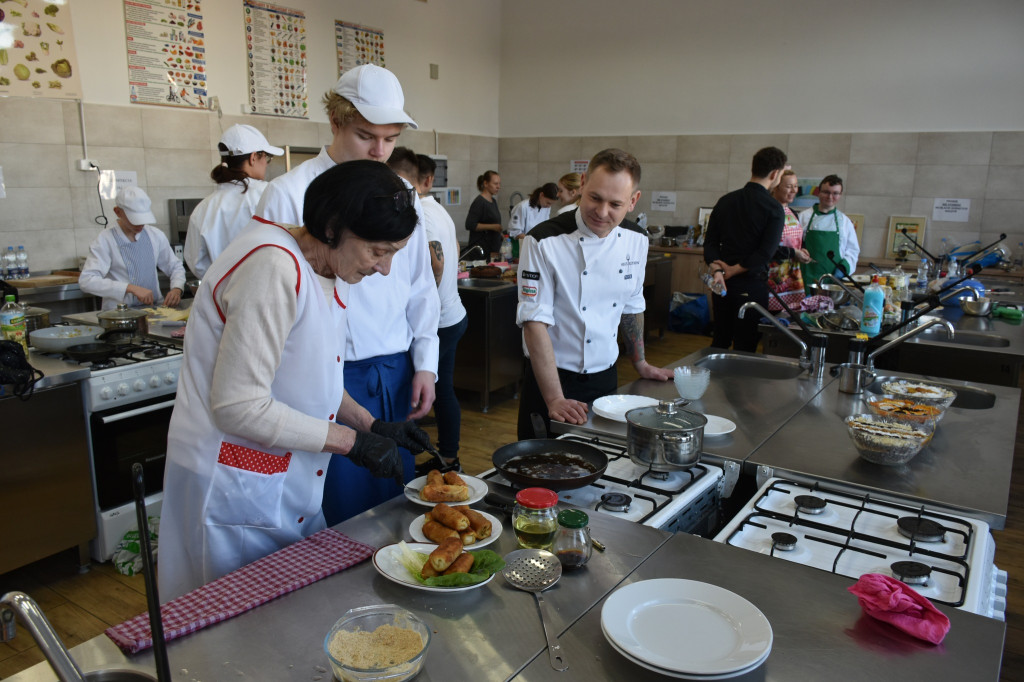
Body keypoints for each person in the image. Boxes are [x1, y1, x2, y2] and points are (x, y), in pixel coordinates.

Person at [159, 161, 417, 600]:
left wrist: (370, 425)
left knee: (286, 613)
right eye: (379, 251)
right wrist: (350, 443)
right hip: (234, 485)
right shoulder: (272, 267)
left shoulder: (331, 266)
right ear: (334, 227)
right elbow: (238, 405)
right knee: (234, 629)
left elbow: (313, 372)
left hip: (280, 479)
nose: (385, 268)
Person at [255, 64, 439, 525]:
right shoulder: (289, 194)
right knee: (333, 504)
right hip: (324, 375)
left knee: (393, 501)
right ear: (335, 122)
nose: (380, 151)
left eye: (391, 138)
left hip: (394, 368)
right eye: (365, 136)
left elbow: (419, 285)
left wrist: (426, 364)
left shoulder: (402, 194)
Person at [516, 149, 673, 440]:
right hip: (551, 378)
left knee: (598, 464)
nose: (602, 212)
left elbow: (631, 306)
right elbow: (534, 322)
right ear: (584, 184)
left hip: (605, 379)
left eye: (615, 204)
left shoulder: (636, 240)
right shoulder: (542, 240)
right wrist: (554, 399)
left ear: (633, 201)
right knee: (542, 467)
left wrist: (640, 362)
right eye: (595, 198)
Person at [402, 151, 469, 471]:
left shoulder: (419, 211)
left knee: (427, 391)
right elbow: (454, 248)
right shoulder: (436, 208)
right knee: (443, 389)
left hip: (439, 320)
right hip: (453, 314)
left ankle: (438, 458)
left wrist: (426, 307)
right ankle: (448, 457)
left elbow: (436, 260)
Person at [703, 146, 789, 351]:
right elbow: (765, 253)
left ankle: (713, 383)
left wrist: (717, 270)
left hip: (721, 283)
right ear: (775, 174)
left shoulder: (725, 201)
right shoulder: (773, 207)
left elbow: (710, 243)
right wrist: (735, 269)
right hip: (751, 285)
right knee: (746, 345)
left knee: (720, 340)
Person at [183, 124, 282, 279]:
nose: (267, 164)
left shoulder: (204, 208)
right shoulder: (270, 193)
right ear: (253, 157)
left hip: (221, 296)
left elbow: (197, 265)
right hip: (268, 289)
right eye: (267, 158)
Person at [79, 186, 186, 311]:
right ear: (118, 212)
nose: (140, 224)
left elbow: (175, 267)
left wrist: (177, 289)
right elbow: (87, 281)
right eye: (134, 219)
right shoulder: (105, 239)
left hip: (155, 309)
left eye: (143, 219)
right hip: (119, 314)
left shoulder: (155, 235)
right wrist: (129, 288)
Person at [799, 174, 861, 291]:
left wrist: (842, 269)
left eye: (835, 193)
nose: (830, 197)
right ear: (819, 192)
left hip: (834, 282)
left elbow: (853, 251)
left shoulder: (845, 222)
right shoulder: (803, 217)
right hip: (805, 278)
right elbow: (794, 245)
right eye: (826, 192)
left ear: (840, 195)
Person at [767, 169, 811, 312]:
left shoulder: (793, 214)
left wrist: (802, 249)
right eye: (788, 186)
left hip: (792, 279)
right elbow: (767, 248)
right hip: (772, 279)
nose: (793, 190)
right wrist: (793, 252)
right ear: (775, 187)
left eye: (796, 186)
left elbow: (797, 240)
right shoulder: (767, 212)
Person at [465, 170, 502, 258]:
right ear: (486, 183)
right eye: (495, 184)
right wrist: (493, 227)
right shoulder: (479, 202)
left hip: (492, 250)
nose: (498, 187)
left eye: (499, 184)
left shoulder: (493, 202)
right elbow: (470, 224)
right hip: (481, 251)